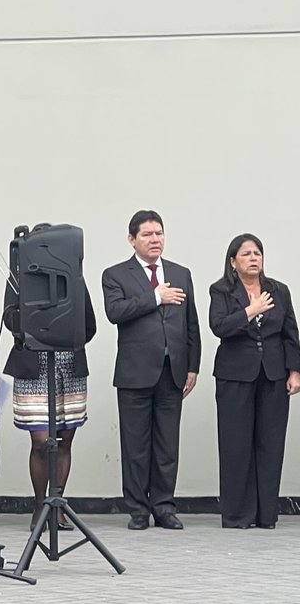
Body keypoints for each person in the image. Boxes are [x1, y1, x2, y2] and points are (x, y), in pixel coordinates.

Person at [101, 210, 201, 531]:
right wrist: (155, 297)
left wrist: (193, 367)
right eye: (147, 234)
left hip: (173, 370)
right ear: (132, 239)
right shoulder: (115, 274)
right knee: (135, 445)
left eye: (159, 233)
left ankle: (164, 506)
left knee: (167, 444)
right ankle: (138, 510)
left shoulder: (181, 273)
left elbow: (191, 325)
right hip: (134, 373)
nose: (155, 239)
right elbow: (116, 312)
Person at [208, 233, 300, 529]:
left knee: (270, 444)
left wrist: (294, 371)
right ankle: (238, 515)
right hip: (235, 374)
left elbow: (290, 333)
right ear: (233, 262)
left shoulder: (279, 290)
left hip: (272, 374)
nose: (253, 258)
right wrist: (250, 311)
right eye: (246, 254)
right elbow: (219, 326)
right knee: (236, 444)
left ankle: (266, 514)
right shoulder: (221, 290)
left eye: (257, 253)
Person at [2, 278, 97, 531]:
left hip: (68, 362)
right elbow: (10, 320)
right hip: (35, 364)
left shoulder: (73, 274)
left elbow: (90, 324)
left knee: (65, 440)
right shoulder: (19, 277)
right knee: (41, 442)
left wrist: (65, 331)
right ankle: (39, 506)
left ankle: (57, 507)